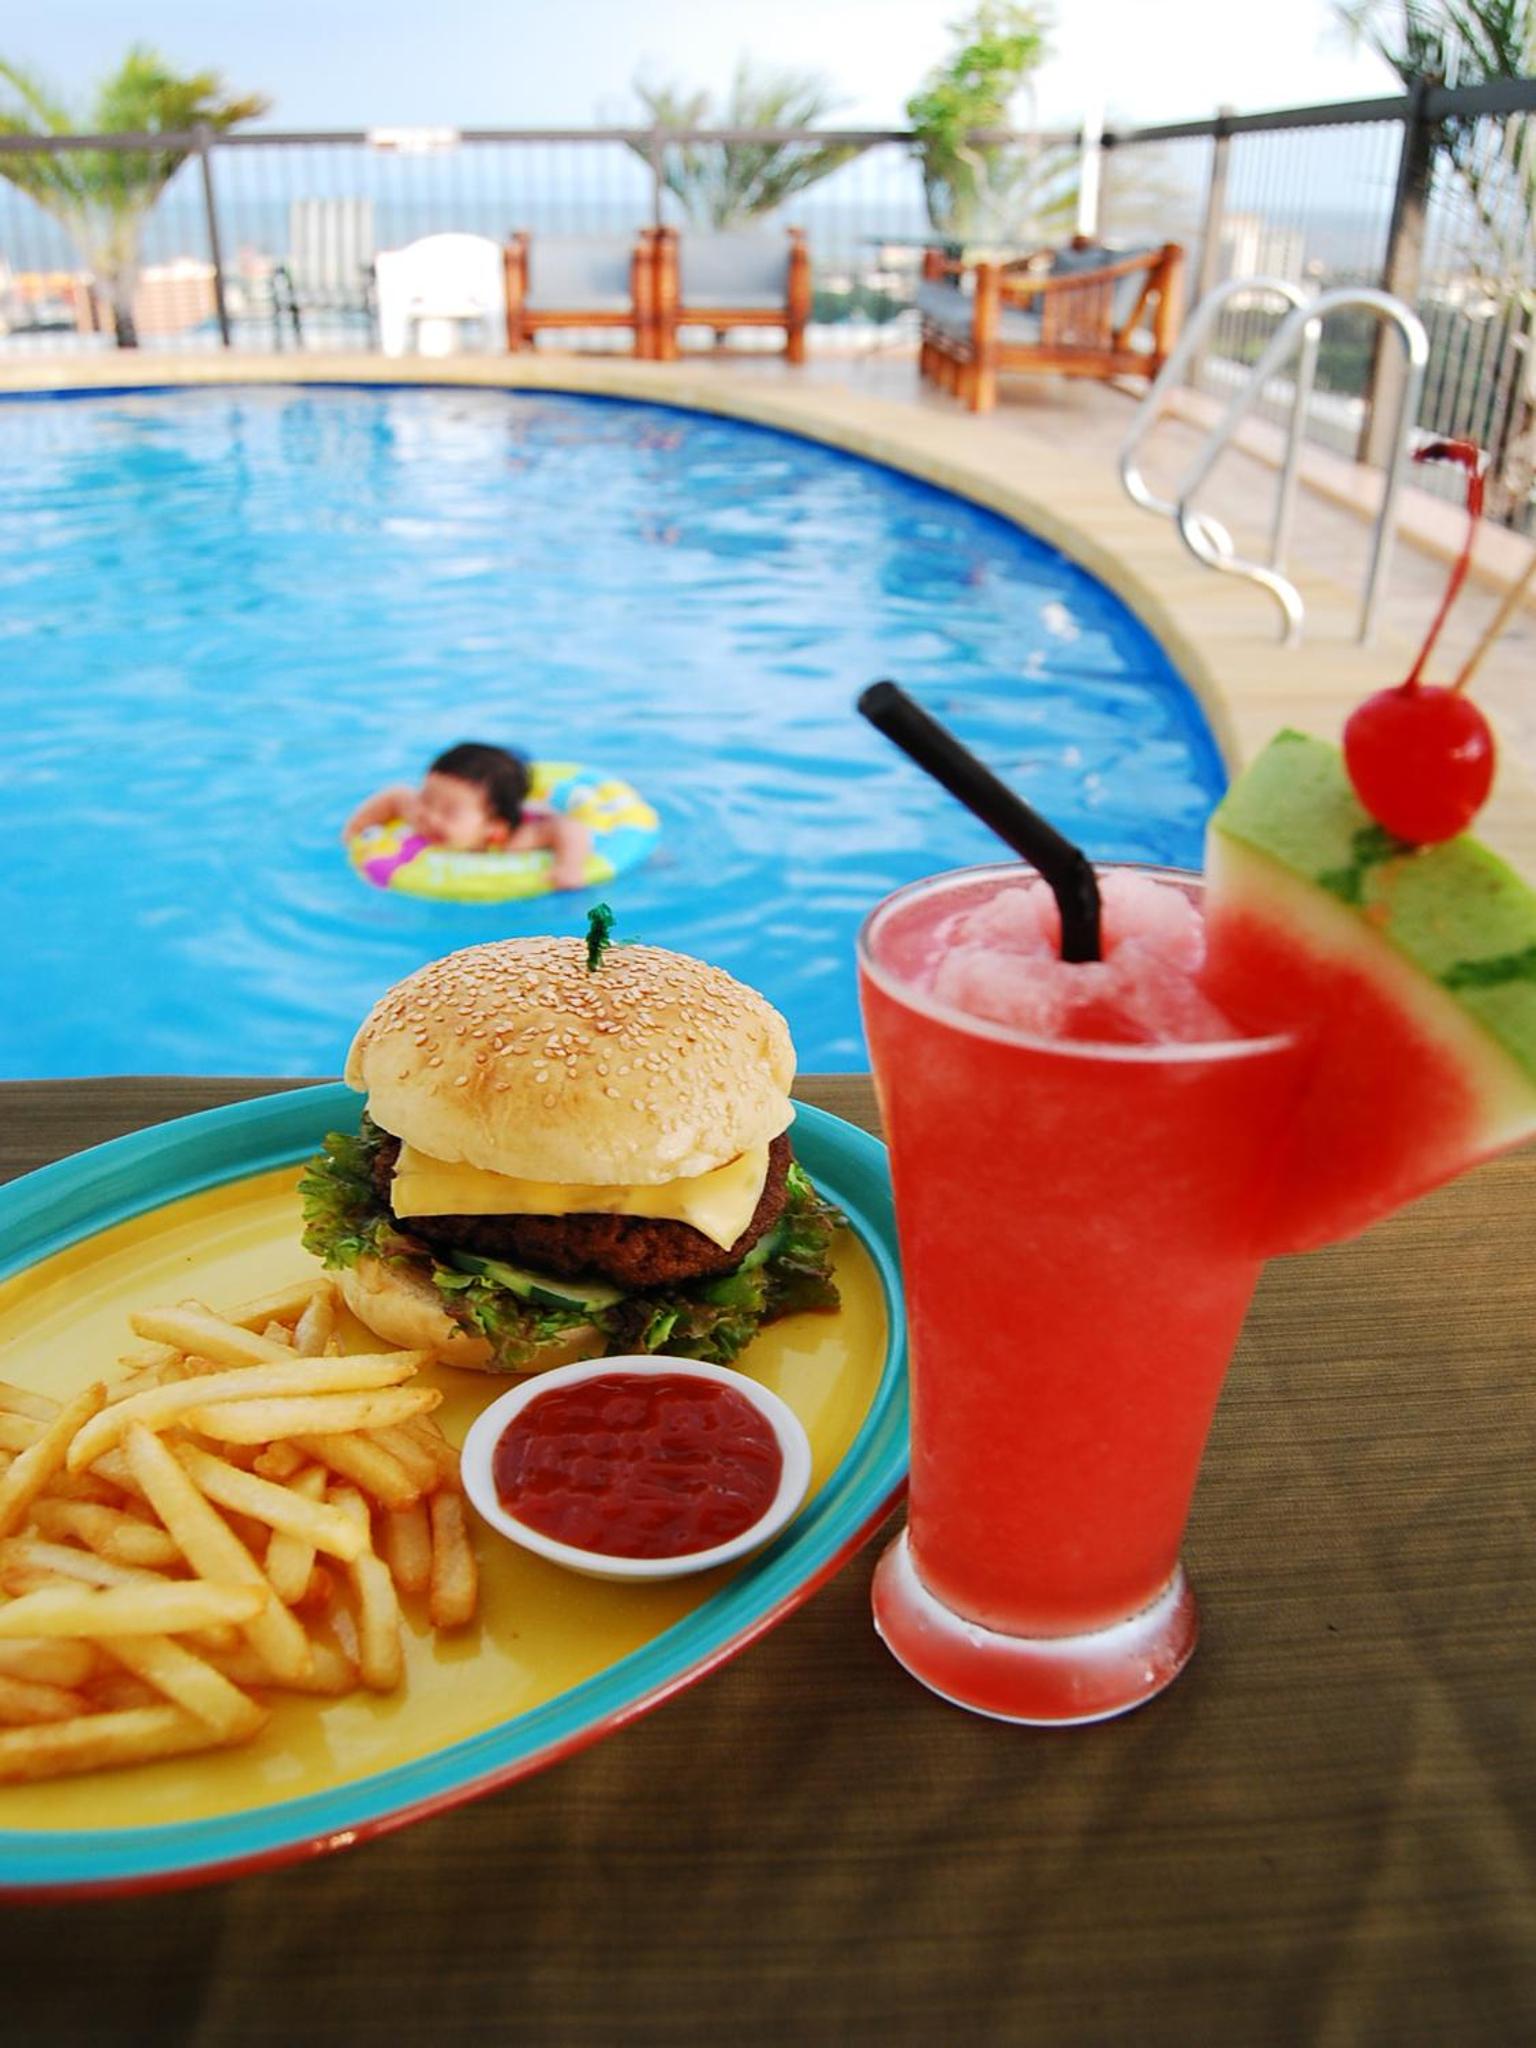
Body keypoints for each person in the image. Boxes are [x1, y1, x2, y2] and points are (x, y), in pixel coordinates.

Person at [344, 742, 592, 891]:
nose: (431, 817)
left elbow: (569, 827)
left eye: (449, 811)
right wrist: (358, 826)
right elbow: (396, 795)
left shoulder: (512, 839)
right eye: (426, 799)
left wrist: (569, 867)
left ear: (492, 825)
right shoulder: (421, 815)